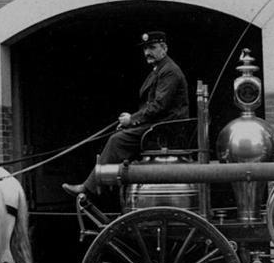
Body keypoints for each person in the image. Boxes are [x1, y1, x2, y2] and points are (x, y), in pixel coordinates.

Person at [62, 31, 189, 195]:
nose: (147, 52)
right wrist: (131, 121)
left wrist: (132, 119)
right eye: (145, 49)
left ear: (164, 48)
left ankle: (88, 189)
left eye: (152, 47)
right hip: (158, 126)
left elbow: (159, 106)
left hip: (165, 129)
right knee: (121, 134)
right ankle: (108, 187)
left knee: (117, 140)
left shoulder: (169, 71)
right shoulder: (159, 69)